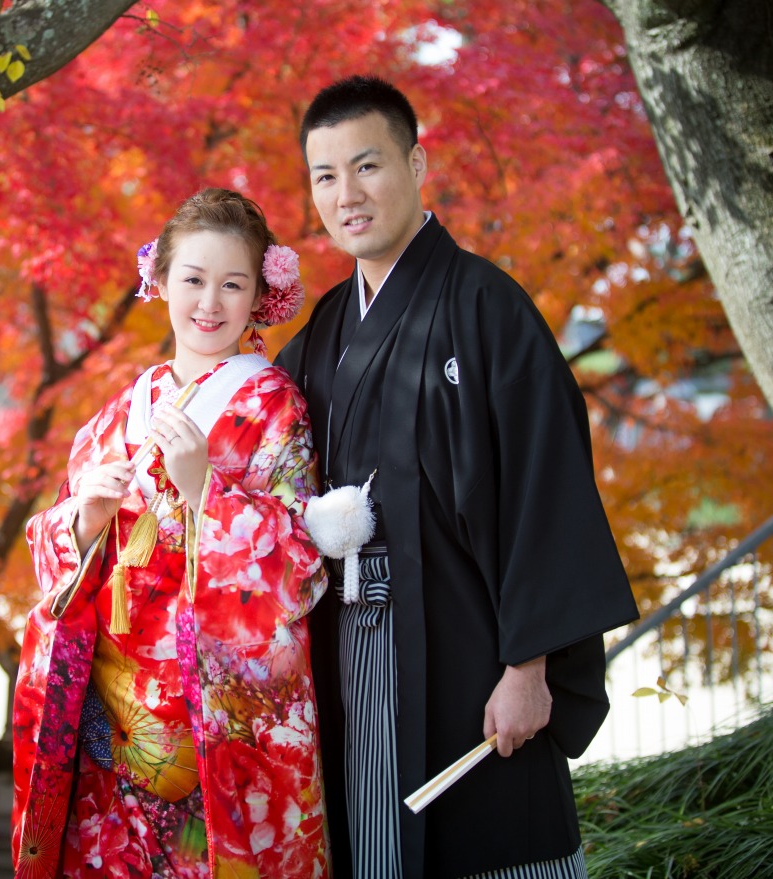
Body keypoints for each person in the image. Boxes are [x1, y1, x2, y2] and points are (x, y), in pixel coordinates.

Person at [276, 76, 639, 879]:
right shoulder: (324, 329)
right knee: (372, 839)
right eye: (325, 176)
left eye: (367, 166)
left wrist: (530, 667)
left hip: (477, 655)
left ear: (416, 163)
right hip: (350, 652)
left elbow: (547, 492)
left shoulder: (488, 307)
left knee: (492, 837)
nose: (346, 195)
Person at [11, 188, 331, 878]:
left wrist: (204, 490)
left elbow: (300, 566)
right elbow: (50, 553)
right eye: (192, 279)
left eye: (232, 284)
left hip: (217, 712)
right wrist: (84, 520)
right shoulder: (119, 413)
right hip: (113, 718)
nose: (209, 302)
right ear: (159, 280)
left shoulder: (273, 405)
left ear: (260, 296)